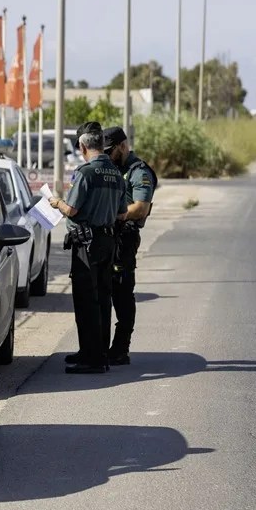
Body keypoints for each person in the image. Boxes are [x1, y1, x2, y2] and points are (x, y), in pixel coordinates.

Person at [49, 121, 127, 374]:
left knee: (85, 300)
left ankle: (92, 359)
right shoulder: (116, 173)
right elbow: (122, 212)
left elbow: (72, 210)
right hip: (108, 241)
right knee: (103, 298)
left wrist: (56, 202)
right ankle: (96, 351)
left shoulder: (85, 173)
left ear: (83, 147)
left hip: (87, 244)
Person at [102, 126, 158, 365]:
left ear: (123, 146)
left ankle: (121, 347)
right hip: (106, 237)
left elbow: (140, 208)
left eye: (111, 150)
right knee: (103, 291)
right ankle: (100, 347)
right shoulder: (111, 169)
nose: (107, 155)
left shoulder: (139, 172)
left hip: (124, 238)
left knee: (122, 293)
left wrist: (114, 215)